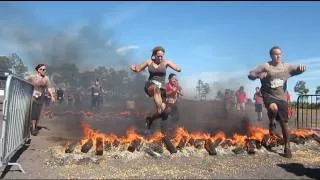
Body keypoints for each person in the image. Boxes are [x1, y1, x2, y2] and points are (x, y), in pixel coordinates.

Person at [248, 46, 306, 158]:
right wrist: (256, 75)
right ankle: (271, 121)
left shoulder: (286, 67)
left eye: (279, 54)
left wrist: (301, 68)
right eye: (275, 54)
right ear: (271, 55)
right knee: (273, 108)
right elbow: (251, 74)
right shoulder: (265, 66)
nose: (278, 56)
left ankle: (287, 146)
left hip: (282, 98)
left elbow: (297, 70)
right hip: (269, 95)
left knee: (285, 124)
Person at [129, 46, 181, 129]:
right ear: (154, 55)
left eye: (162, 56)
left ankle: (150, 119)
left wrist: (177, 69)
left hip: (161, 90)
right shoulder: (149, 62)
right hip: (150, 85)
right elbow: (138, 69)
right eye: (158, 56)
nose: (160, 58)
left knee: (163, 112)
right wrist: (133, 68)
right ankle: (159, 107)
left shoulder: (166, 62)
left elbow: (176, 67)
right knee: (156, 88)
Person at [25, 64, 55, 136]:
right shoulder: (33, 77)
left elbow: (49, 88)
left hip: (41, 98)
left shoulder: (46, 78)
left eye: (45, 69)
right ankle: (33, 128)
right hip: (33, 97)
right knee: (33, 113)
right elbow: (24, 80)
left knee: (37, 113)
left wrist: (52, 96)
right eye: (43, 69)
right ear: (38, 70)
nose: (44, 71)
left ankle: (34, 126)